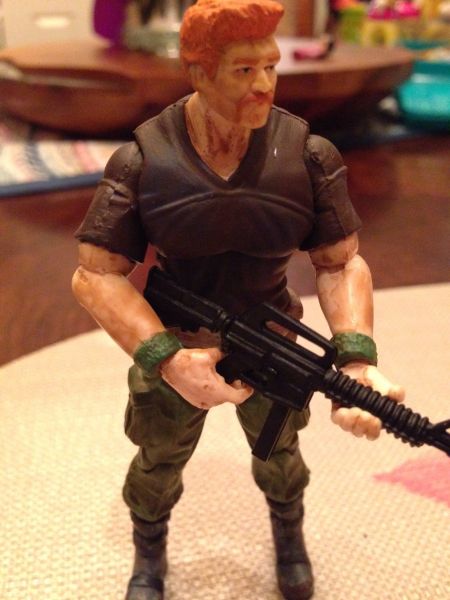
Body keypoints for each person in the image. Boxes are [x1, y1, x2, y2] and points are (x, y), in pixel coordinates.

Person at [72, 1, 404, 598]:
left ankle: (289, 537)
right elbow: (95, 275)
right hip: (176, 340)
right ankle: (149, 555)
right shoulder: (143, 162)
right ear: (199, 73)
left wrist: (356, 359)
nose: (265, 84)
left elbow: (339, 262)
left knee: (281, 457)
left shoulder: (308, 156)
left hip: (272, 339)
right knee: (157, 462)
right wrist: (168, 359)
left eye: (271, 67)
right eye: (244, 70)